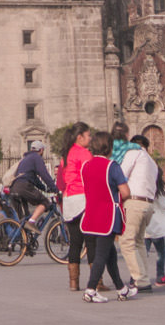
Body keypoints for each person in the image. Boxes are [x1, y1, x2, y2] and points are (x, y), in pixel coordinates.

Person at [79, 131, 134, 303]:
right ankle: (90, 289)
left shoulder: (85, 166)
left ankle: (121, 288)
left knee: (109, 254)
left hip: (90, 214)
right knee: (102, 255)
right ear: (109, 147)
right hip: (107, 215)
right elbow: (125, 192)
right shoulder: (113, 166)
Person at [117, 133, 159, 292]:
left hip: (134, 201)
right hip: (147, 204)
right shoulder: (152, 161)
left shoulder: (133, 154)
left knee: (127, 242)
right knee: (139, 242)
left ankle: (140, 280)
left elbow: (121, 175)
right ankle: (143, 277)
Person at [57, 122, 93, 291]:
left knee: (75, 242)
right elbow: (92, 175)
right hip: (84, 198)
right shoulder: (84, 153)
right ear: (80, 137)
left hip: (69, 200)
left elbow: (61, 180)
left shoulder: (66, 154)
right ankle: (96, 281)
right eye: (89, 135)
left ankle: (73, 282)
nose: (91, 138)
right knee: (91, 241)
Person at [11, 140, 59, 232]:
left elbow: (35, 179)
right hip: (24, 187)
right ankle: (32, 222)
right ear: (41, 150)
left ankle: (23, 240)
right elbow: (44, 175)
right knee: (45, 202)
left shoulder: (25, 159)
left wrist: (44, 188)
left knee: (24, 220)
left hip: (14, 187)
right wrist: (54, 188)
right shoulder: (36, 158)